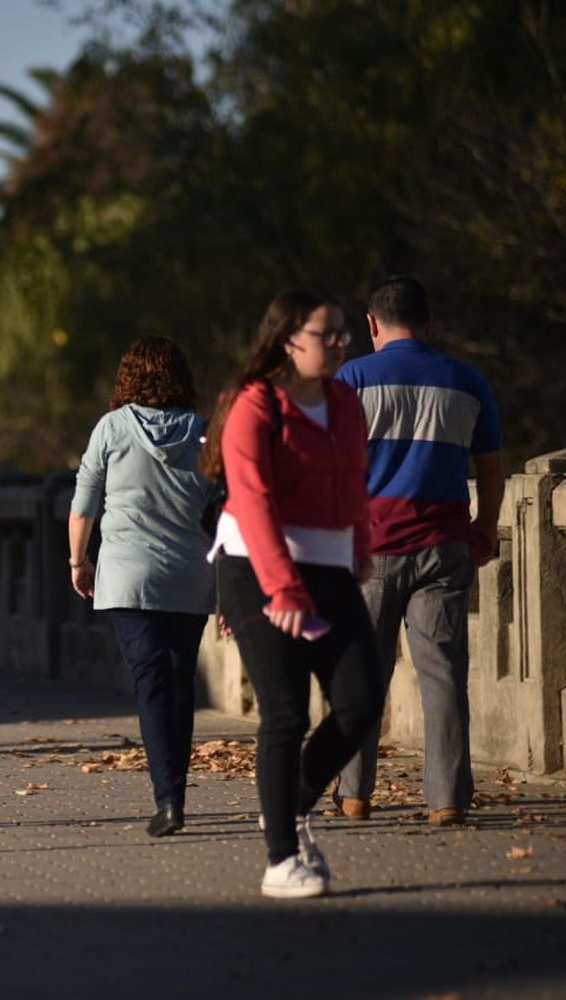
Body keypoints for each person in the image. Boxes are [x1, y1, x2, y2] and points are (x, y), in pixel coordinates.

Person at [200, 289, 384, 899]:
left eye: (342, 335)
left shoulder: (346, 401)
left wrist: (360, 545)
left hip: (328, 564)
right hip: (254, 566)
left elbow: (357, 478)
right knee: (285, 710)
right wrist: (282, 589)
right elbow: (251, 501)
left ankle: (291, 802)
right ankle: (281, 858)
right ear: (288, 340)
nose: (340, 345)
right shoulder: (253, 405)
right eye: (326, 334)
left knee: (361, 702)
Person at [333, 276, 503, 827]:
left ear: (373, 325)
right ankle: (447, 798)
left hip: (370, 550)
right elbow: (492, 466)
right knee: (443, 675)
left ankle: (355, 795)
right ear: (429, 324)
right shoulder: (465, 379)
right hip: (444, 545)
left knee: (362, 674)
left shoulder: (352, 379)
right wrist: (487, 526)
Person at [67, 337, 217, 838]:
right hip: (190, 576)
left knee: (152, 685)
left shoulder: (111, 428)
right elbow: (226, 508)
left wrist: (77, 560)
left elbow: (84, 504)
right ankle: (176, 795)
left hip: (128, 578)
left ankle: (167, 802)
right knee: (180, 685)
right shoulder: (202, 433)